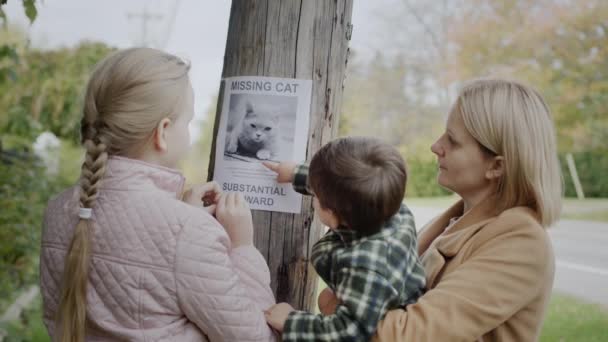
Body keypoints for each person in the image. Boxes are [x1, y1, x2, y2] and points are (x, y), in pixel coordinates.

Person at [39, 48, 276, 342]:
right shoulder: (190, 232)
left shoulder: (58, 211)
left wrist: (180, 212)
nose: (189, 132)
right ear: (163, 131)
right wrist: (242, 246)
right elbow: (257, 338)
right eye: (187, 122)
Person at [313, 79, 562, 341]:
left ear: (496, 167)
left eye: (452, 141)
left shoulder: (521, 244)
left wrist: (333, 306)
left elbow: (406, 335)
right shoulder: (455, 222)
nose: (436, 146)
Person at [263, 137, 425, 341]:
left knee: (325, 300)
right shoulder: (389, 208)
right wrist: (296, 173)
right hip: (370, 298)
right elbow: (345, 187)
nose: (314, 198)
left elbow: (348, 332)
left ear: (331, 212)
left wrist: (290, 322)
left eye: (317, 198)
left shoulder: (366, 266)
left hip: (375, 325)